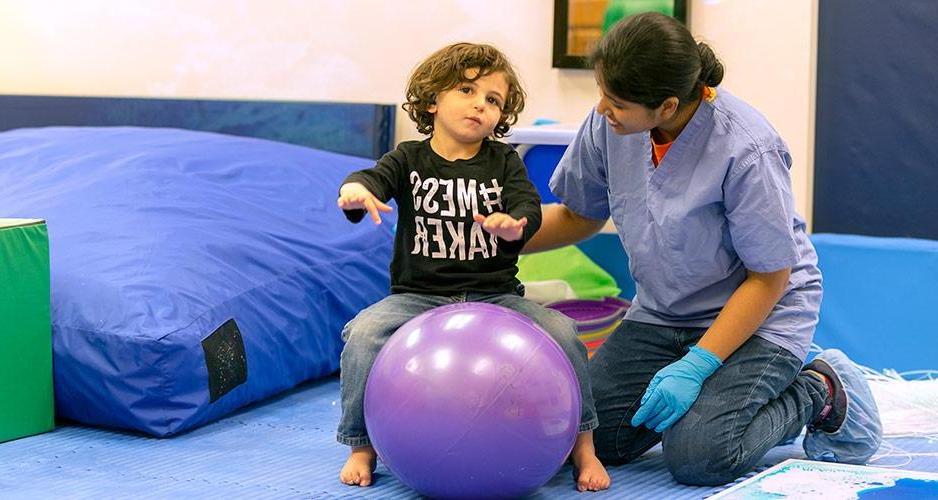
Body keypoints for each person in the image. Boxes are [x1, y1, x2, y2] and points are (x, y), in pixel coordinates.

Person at [524, 12, 883, 486]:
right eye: (603, 94)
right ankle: (725, 390)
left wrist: (697, 365)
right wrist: (502, 239)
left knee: (699, 456)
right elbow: (579, 215)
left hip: (762, 313)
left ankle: (818, 387)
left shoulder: (747, 147)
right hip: (663, 313)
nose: (602, 109)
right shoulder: (609, 126)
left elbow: (769, 277)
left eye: (617, 102)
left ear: (667, 105)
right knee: (590, 436)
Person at [335, 42, 610, 491]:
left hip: (496, 298)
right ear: (432, 99)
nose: (480, 104)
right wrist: (355, 193)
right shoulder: (408, 158)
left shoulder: (503, 162)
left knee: (563, 334)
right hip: (417, 299)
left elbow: (528, 204)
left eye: (493, 100)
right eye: (467, 90)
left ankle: (584, 448)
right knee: (363, 334)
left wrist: (514, 223)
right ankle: (361, 444)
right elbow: (372, 179)